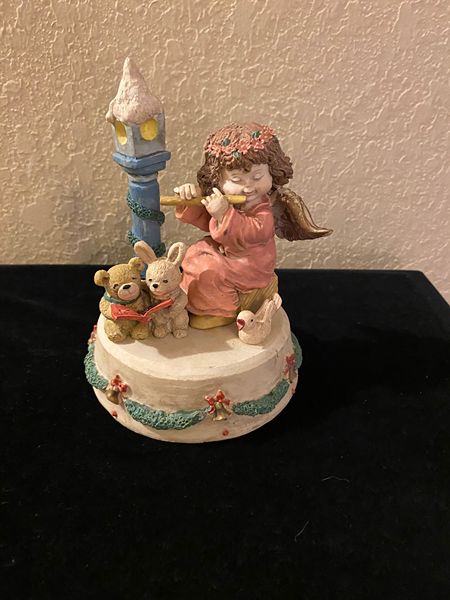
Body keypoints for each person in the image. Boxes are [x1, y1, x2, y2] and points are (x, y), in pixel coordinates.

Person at [175, 122, 331, 329]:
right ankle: (194, 299)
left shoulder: (265, 209)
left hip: (250, 264)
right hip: (228, 253)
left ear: (272, 172)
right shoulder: (229, 200)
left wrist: (224, 214)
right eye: (236, 179)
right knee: (193, 253)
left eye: (257, 177)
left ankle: (222, 310)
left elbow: (253, 232)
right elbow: (208, 220)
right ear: (217, 180)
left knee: (210, 269)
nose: (248, 187)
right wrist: (192, 198)